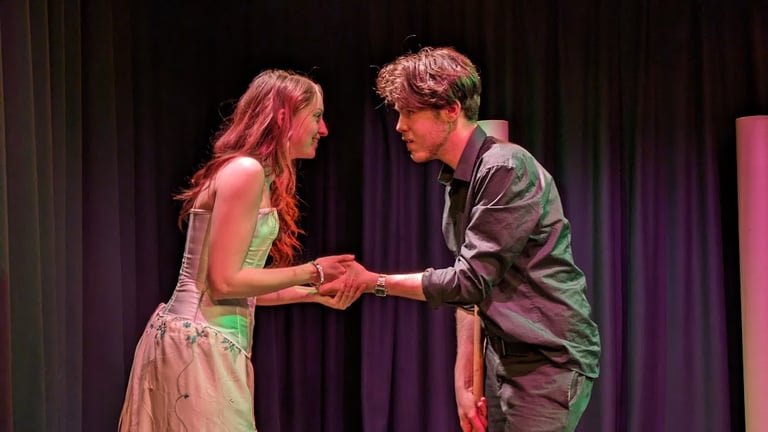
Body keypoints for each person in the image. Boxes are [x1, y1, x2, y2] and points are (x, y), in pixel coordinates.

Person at [331, 47, 601, 431]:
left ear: (451, 109)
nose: (399, 127)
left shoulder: (506, 167)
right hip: (502, 358)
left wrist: (373, 282)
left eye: (410, 113)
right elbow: (469, 295)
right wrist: (466, 382)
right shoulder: (460, 180)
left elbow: (468, 281)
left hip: (546, 361)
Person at [119, 69, 360, 431]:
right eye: (316, 116)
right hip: (198, 345)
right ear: (284, 117)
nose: (323, 129)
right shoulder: (245, 171)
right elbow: (224, 283)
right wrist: (314, 270)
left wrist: (313, 293)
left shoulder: (255, 173)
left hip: (210, 343)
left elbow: (239, 289)